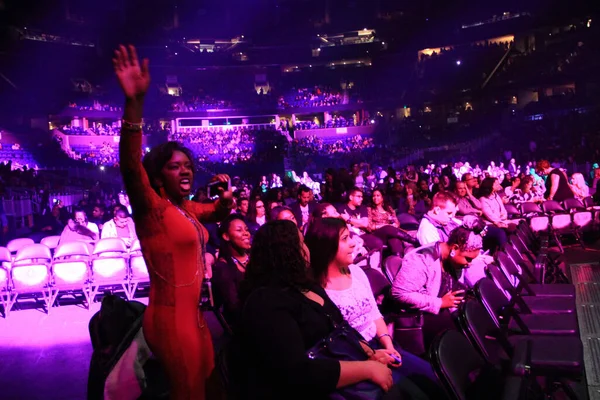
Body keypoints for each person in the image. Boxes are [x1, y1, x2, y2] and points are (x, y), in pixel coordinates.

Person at [113, 45, 235, 399]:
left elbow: (214, 213)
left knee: (212, 388)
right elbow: (130, 165)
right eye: (174, 166)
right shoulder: (152, 208)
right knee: (189, 393)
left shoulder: (184, 208)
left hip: (196, 318)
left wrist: (224, 201)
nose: (185, 170)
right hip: (169, 320)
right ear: (159, 174)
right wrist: (134, 103)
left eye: (188, 165)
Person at [231, 221, 394, 400]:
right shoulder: (265, 303)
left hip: (342, 366)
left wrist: (368, 353)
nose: (307, 249)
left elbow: (340, 328)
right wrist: (367, 369)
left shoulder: (304, 285)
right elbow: (297, 372)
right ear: (287, 252)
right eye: (301, 243)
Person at [305, 218, 446, 399]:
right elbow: (334, 343)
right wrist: (372, 355)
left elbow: (373, 312)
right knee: (413, 394)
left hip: (382, 344)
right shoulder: (317, 291)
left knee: (433, 378)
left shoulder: (356, 271)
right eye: (345, 238)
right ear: (326, 246)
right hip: (354, 357)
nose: (354, 243)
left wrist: (388, 344)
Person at [391, 226, 484, 348]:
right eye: (468, 259)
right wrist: (439, 303)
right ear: (455, 248)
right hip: (422, 318)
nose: (469, 264)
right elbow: (399, 293)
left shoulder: (450, 259)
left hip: (441, 313)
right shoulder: (421, 260)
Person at [212, 214, 251, 328]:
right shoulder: (223, 267)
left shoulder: (256, 256)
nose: (246, 233)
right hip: (244, 324)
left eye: (246, 229)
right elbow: (234, 306)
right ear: (226, 236)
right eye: (239, 230)